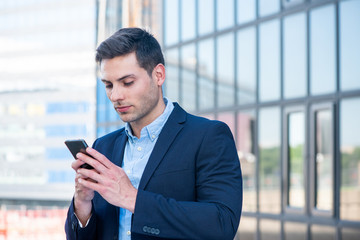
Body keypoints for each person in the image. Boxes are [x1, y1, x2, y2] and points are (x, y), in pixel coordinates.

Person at [65, 27, 242, 240]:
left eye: (127, 82)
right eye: (109, 85)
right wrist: (82, 203)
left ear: (158, 75)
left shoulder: (208, 136)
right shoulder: (103, 147)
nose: (115, 95)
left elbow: (222, 225)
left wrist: (132, 198)